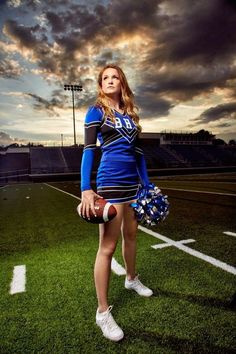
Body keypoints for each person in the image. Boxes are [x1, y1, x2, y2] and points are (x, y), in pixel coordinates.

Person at [80, 64, 153, 342]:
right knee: (108, 246)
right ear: (101, 84)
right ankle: (102, 312)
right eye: (105, 78)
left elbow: (139, 154)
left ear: (122, 83)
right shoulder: (96, 111)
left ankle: (131, 278)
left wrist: (146, 184)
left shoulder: (132, 116)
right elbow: (88, 151)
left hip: (133, 184)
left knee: (132, 236)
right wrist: (87, 189)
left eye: (115, 77)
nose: (110, 80)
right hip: (109, 183)